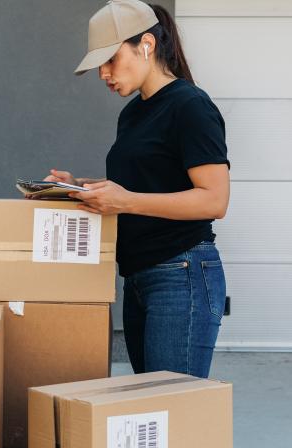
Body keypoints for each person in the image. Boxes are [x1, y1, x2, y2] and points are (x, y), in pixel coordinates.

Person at [47, 0, 230, 378]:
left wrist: (125, 200)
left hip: (181, 274)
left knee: (172, 410)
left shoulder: (190, 106)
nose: (103, 74)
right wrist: (77, 186)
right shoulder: (133, 113)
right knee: (151, 410)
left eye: (111, 60)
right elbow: (143, 183)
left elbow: (215, 199)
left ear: (146, 44)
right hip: (139, 278)